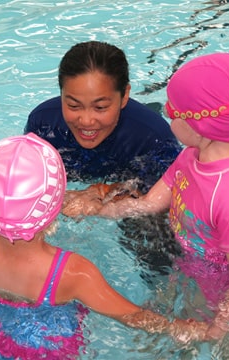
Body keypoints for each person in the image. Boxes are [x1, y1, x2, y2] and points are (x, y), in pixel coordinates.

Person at [63, 52, 229, 340]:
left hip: (220, 286)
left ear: (200, 124)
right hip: (189, 262)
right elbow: (147, 204)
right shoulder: (190, 157)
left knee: (197, 346)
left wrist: (216, 330)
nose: (166, 114)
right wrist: (94, 208)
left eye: (173, 111)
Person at [0, 133, 209, 359]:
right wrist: (179, 328)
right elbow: (133, 316)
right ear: (56, 203)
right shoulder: (73, 273)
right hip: (46, 347)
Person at [24, 41, 183, 277]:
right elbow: (27, 182)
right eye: (73, 105)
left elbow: (167, 195)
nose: (86, 121)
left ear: (125, 95)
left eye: (100, 107)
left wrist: (102, 191)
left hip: (130, 169)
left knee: (154, 236)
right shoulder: (44, 125)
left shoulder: (151, 137)